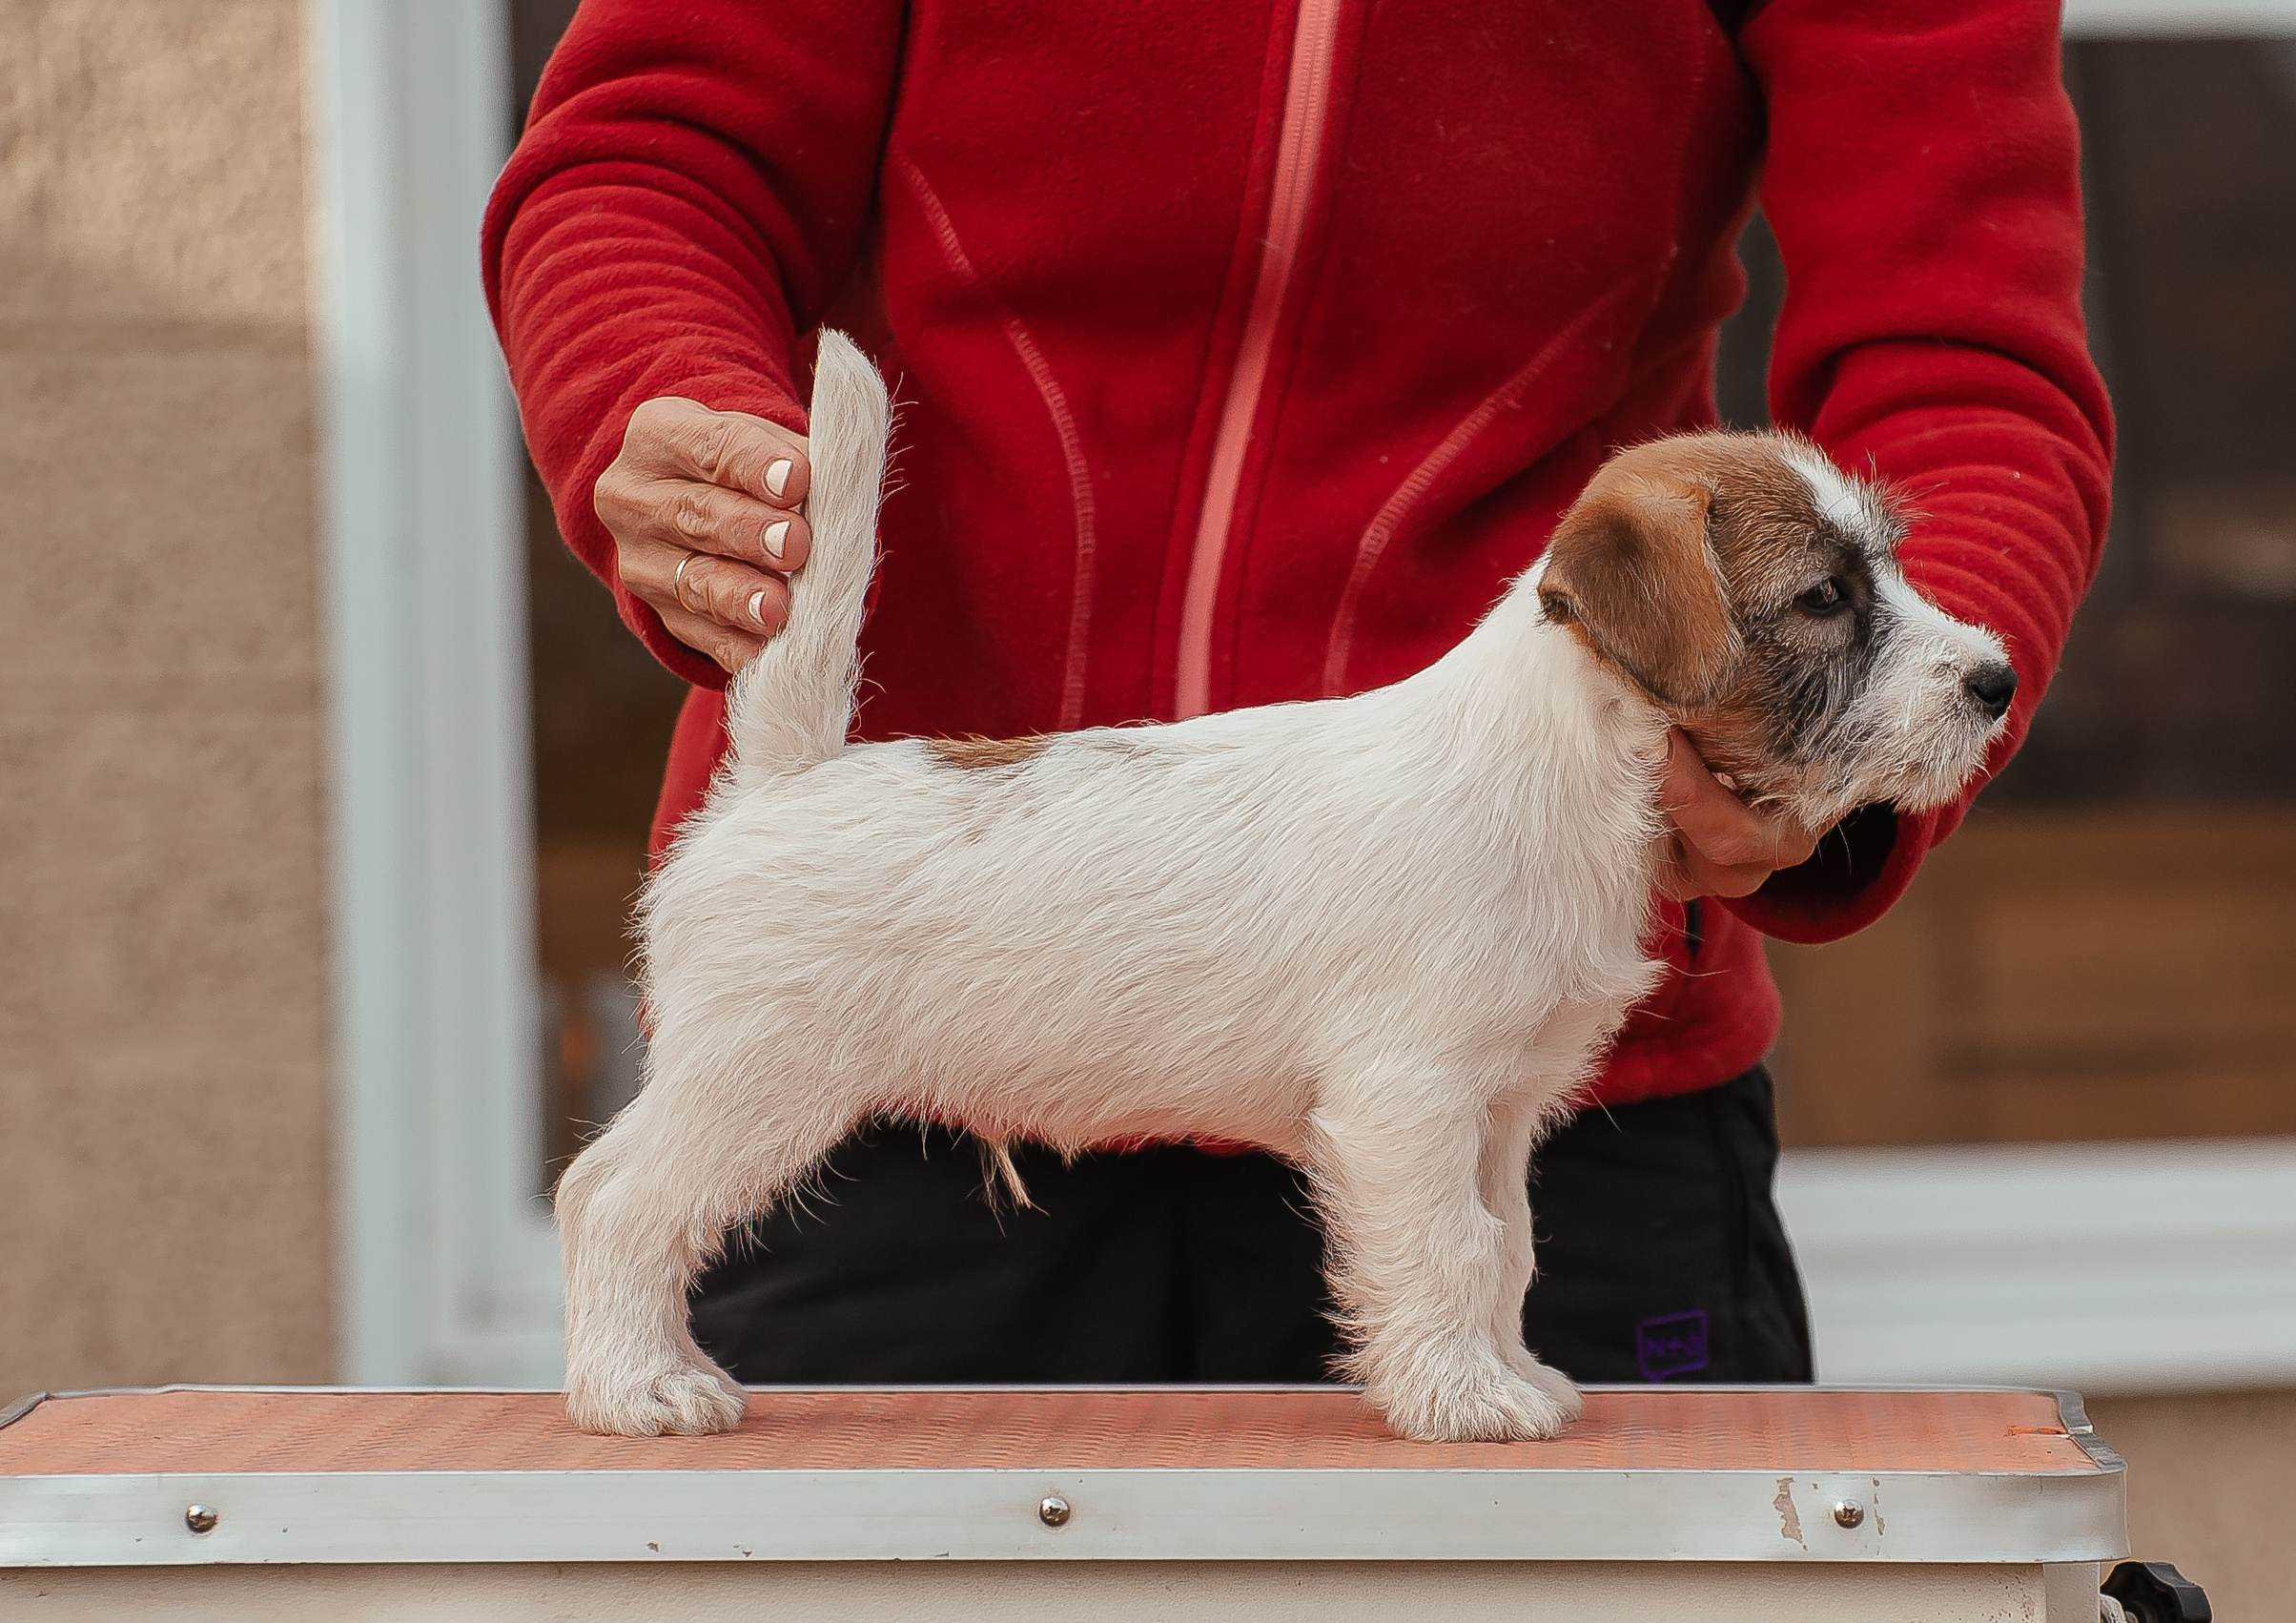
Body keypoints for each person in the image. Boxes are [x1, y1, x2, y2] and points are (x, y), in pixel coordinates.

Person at [483, 0, 2111, 1389]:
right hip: (930, 1018)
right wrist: (670, 406)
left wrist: (1803, 772)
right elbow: (647, 151)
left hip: (1581, 1092)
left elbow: (1967, 353)